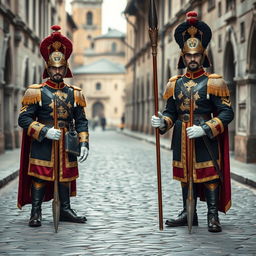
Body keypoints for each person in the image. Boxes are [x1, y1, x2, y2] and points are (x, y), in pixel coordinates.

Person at [151, 12, 234, 232]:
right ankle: (189, 212)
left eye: (196, 54)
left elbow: (227, 113)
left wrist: (206, 128)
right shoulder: (174, 83)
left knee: (209, 175)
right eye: (188, 55)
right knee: (185, 176)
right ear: (183, 56)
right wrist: (163, 123)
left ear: (203, 54)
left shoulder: (214, 82)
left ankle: (213, 215)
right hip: (181, 136)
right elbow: (171, 113)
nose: (192, 59)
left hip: (205, 137)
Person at [17, 25, 89, 227]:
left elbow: (81, 120)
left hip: (67, 141)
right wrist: (45, 131)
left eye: (60, 68)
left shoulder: (74, 93)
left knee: (65, 176)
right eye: (53, 68)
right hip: (43, 141)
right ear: (47, 68)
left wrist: (84, 143)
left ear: (66, 68)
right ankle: (36, 211)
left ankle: (65, 209)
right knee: (40, 176)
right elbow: (23, 120)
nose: (57, 72)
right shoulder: (35, 91)